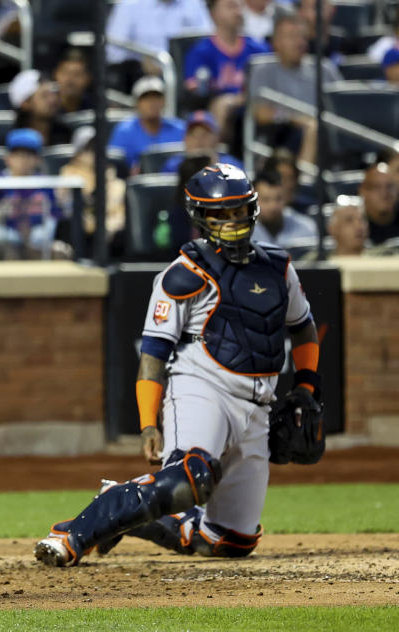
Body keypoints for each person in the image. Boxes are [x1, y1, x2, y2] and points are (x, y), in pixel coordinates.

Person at [34, 163, 321, 567]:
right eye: (222, 214)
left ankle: (126, 512)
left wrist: (307, 387)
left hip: (258, 405)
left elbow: (303, 329)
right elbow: (153, 352)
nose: (233, 222)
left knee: (231, 542)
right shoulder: (182, 275)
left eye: (239, 211)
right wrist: (148, 423)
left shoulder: (278, 267)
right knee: (193, 475)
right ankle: (74, 533)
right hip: (202, 388)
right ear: (201, 218)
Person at [247, 10, 341, 165]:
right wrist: (299, 118)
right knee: (312, 128)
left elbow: (343, 104)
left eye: (303, 37)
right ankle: (305, 182)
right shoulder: (263, 69)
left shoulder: (324, 68)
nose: (299, 42)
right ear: (275, 42)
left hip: (328, 132)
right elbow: (260, 112)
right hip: (283, 136)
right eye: (292, 37)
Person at [183, 0, 269, 137]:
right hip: (219, 108)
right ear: (213, 14)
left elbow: (271, 84)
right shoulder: (201, 51)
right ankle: (218, 154)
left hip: (253, 104)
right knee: (221, 106)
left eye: (239, 6)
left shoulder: (258, 49)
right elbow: (195, 92)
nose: (237, 12)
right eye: (231, 6)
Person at [0, 128, 64, 260]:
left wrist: (34, 237)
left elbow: (53, 216)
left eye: (29, 155)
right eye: (18, 154)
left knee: (57, 249)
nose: (23, 160)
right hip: (7, 237)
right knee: (1, 240)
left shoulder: (45, 184)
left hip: (37, 240)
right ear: (8, 158)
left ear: (38, 159)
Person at [105, 0, 212, 70]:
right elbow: (113, 53)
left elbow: (210, 39)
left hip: (184, 70)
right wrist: (140, 63)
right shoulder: (128, 5)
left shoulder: (194, 3)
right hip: (140, 74)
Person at [108, 76, 186, 171]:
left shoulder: (180, 129)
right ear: (137, 103)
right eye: (146, 99)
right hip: (136, 183)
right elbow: (114, 163)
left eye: (156, 98)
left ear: (164, 102)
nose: (152, 103)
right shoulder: (124, 131)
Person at [250, 170, 317, 248]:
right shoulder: (242, 233)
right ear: (253, 200)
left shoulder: (306, 228)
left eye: (278, 199)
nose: (273, 206)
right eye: (266, 200)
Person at [162, 111, 243, 173]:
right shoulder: (173, 166)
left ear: (216, 139)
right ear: (185, 139)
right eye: (193, 134)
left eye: (205, 134)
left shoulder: (231, 166)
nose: (199, 140)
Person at [9, 69, 72, 146]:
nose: (53, 100)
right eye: (44, 96)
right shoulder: (11, 139)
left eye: (53, 94)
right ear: (25, 103)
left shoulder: (65, 133)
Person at [359, 162, 399, 245]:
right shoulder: (354, 225)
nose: (384, 193)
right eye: (377, 187)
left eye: (390, 186)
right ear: (363, 191)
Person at [54, 48, 93, 114]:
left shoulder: (96, 109)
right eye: (65, 73)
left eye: (77, 74)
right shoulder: (46, 109)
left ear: (88, 78)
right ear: (56, 74)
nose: (70, 80)